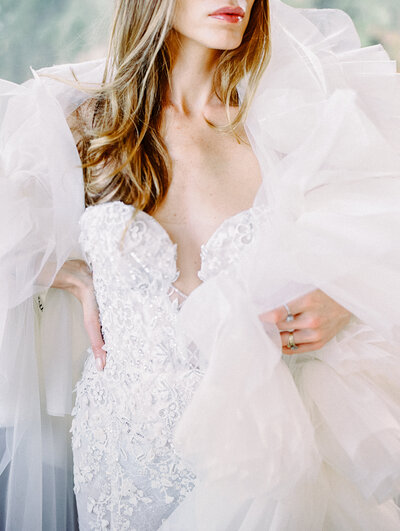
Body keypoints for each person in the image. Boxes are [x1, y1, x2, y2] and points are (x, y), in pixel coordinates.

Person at [1, 0, 400, 529]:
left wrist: (343, 297)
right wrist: (68, 273)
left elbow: (375, 241)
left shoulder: (281, 126)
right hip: (123, 459)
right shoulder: (86, 123)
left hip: (260, 461)